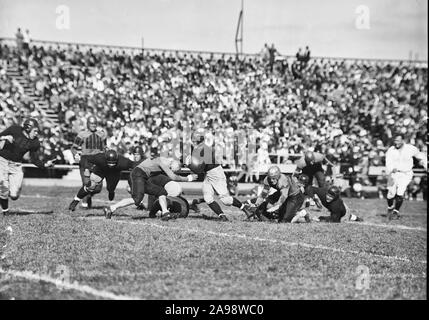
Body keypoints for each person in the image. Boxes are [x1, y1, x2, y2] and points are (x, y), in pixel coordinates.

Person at [187, 130, 253, 221]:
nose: (193, 142)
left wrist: (188, 164)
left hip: (216, 173)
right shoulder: (199, 148)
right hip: (209, 174)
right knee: (208, 198)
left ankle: (246, 208)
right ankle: (222, 216)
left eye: (194, 140)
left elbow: (199, 170)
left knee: (226, 200)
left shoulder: (205, 149)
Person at [0, 118, 55, 214]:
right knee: (3, 188)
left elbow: (33, 159)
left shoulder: (35, 142)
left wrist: (44, 164)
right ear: (28, 129)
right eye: (35, 131)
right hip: (2, 161)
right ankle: (5, 211)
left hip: (16, 165)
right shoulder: (14, 129)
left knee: (14, 195)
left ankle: (9, 192)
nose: (37, 133)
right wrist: (4, 138)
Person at [129, 156, 197, 220]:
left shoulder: (160, 163)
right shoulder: (164, 163)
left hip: (142, 176)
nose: (170, 171)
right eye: (171, 170)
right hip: (140, 176)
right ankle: (161, 211)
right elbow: (173, 177)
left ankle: (163, 212)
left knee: (161, 193)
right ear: (171, 165)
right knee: (138, 200)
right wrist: (188, 178)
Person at [68, 149, 134, 211]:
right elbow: (84, 158)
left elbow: (135, 165)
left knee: (110, 188)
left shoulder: (123, 162)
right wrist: (86, 168)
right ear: (105, 159)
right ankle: (76, 199)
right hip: (100, 170)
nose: (111, 165)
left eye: (113, 163)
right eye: (109, 163)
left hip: (114, 173)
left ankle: (111, 191)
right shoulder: (99, 158)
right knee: (91, 185)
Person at [385, 135, 427, 219]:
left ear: (403, 140)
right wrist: (391, 169)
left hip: (406, 174)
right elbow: (388, 161)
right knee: (390, 194)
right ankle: (390, 208)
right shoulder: (391, 150)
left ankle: (396, 212)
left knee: (400, 191)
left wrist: (425, 165)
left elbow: (421, 156)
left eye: (398, 141)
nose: (396, 143)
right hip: (394, 174)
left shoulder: (411, 148)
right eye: (395, 141)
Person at [71, 116, 107, 209]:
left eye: (95, 123)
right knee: (86, 183)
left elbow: (105, 148)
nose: (93, 125)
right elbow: (73, 148)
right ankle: (84, 203)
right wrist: (76, 154)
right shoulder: (81, 134)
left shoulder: (102, 134)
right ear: (87, 124)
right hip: (86, 160)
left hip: (98, 161)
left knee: (98, 187)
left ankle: (89, 195)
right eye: (91, 123)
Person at [297, 174, 362, 222]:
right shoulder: (324, 193)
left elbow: (334, 221)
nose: (328, 197)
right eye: (328, 195)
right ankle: (356, 218)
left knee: (329, 218)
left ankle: (354, 218)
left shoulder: (335, 205)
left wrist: (319, 220)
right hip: (343, 209)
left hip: (342, 215)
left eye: (331, 196)